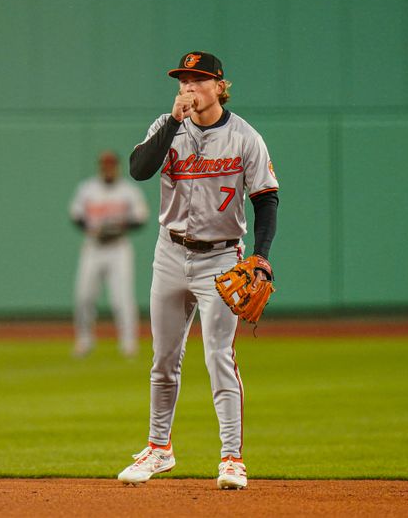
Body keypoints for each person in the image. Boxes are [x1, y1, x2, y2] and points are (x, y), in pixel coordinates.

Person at [117, 51, 279, 489]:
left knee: (218, 357)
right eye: (183, 80)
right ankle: (159, 448)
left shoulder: (245, 137)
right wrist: (172, 123)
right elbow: (139, 169)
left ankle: (231, 458)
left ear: (218, 87)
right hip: (169, 254)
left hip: (222, 258)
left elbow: (266, 198)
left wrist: (260, 257)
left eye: (197, 80)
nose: (188, 88)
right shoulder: (165, 127)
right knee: (163, 359)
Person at [69, 151, 149, 358]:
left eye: (111, 164)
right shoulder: (87, 189)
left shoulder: (128, 191)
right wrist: (90, 228)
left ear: (117, 166)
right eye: (105, 164)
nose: (108, 168)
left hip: (118, 248)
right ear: (100, 166)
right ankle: (84, 340)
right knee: (84, 296)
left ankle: (128, 343)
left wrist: (120, 226)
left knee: (121, 298)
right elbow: (76, 215)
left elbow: (140, 218)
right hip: (93, 247)